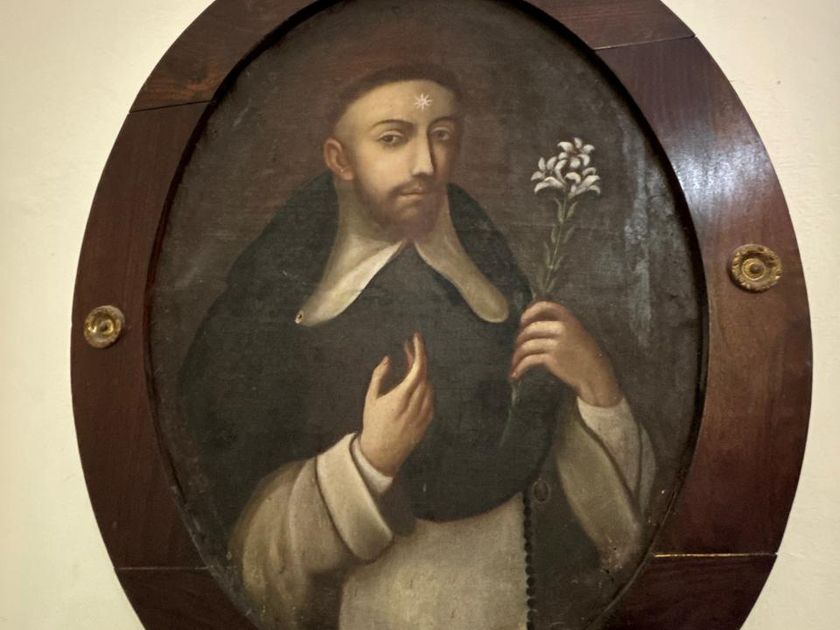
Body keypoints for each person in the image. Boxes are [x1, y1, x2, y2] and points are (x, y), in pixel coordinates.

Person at [179, 64, 656, 630]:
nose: (426, 164)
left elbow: (615, 526)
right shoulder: (265, 313)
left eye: (442, 135)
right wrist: (364, 466)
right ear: (340, 159)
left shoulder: (500, 281)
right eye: (392, 138)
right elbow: (239, 541)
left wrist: (601, 395)